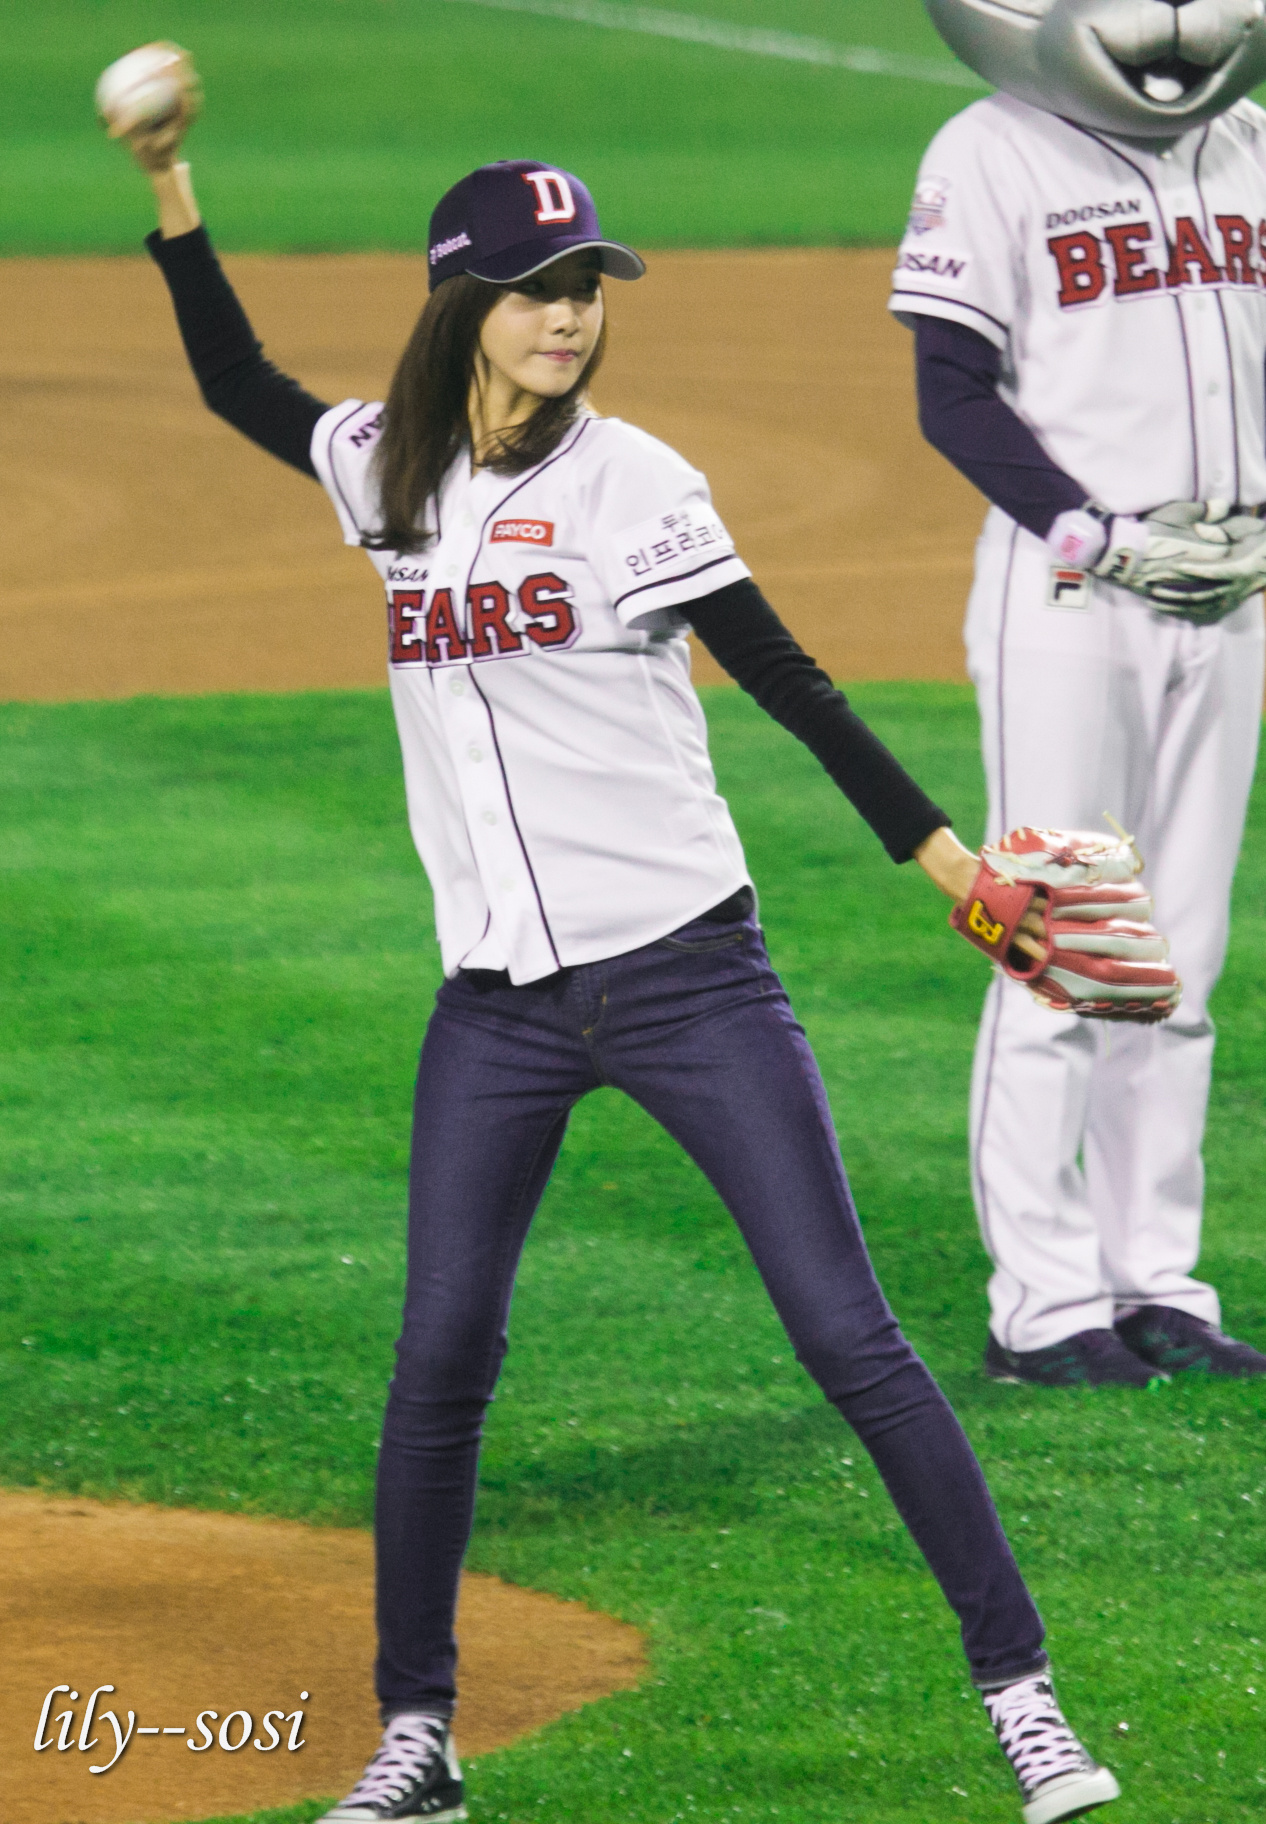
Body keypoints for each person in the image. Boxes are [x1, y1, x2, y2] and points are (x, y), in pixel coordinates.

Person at [110, 82, 1120, 1824]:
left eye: (588, 281)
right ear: (462, 307)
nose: (573, 311)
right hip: (493, 1010)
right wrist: (168, 184)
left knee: (846, 1336)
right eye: (537, 284)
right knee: (438, 1363)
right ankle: (414, 1744)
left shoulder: (637, 484)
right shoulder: (383, 468)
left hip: (684, 979)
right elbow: (235, 387)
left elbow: (789, 680)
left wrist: (950, 864)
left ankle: (1022, 1703)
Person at [891, 0, 1266, 1390]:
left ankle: (1150, 1278)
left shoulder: (1244, 144)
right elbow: (950, 389)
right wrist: (1089, 530)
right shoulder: (990, 149)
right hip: (1070, 593)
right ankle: (1039, 1306)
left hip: (1229, 589)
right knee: (1058, 941)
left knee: (1184, 954)